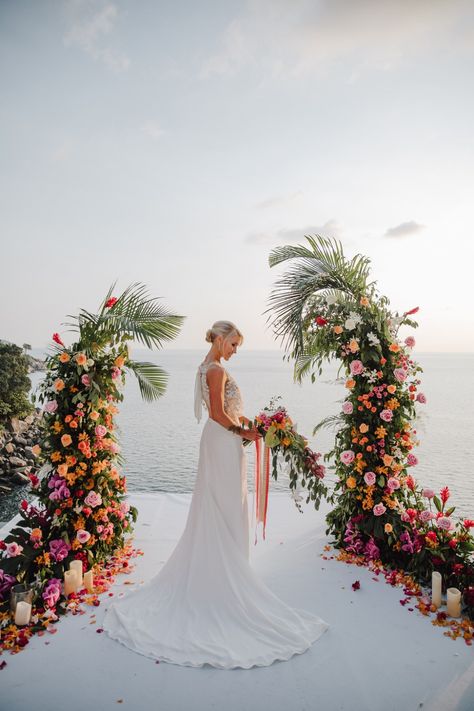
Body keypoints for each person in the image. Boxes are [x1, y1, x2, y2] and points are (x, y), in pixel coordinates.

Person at [102, 321, 329, 668]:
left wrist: (248, 427)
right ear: (221, 339)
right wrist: (250, 432)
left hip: (220, 440)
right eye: (234, 344)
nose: (235, 350)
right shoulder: (216, 369)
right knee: (226, 503)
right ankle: (227, 574)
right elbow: (219, 414)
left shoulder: (205, 366)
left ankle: (227, 565)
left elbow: (223, 414)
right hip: (222, 441)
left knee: (221, 503)